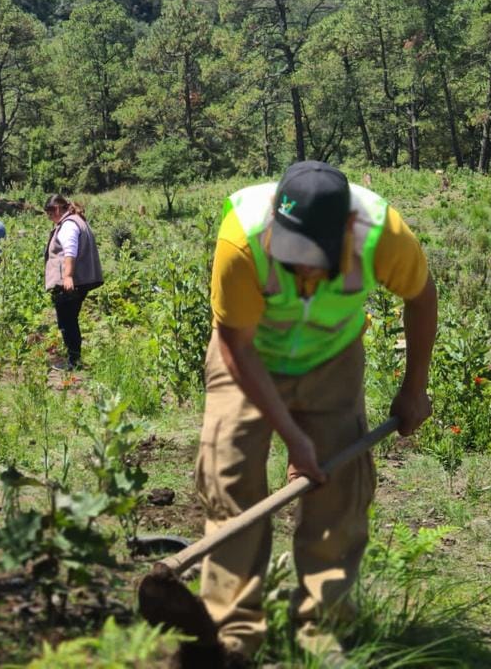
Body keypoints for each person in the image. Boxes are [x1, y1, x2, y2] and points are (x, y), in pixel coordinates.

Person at [195, 161, 437, 666]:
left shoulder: (382, 234)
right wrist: (292, 436)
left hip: (333, 357)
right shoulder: (242, 237)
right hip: (250, 355)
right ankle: (233, 631)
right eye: (290, 255)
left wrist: (414, 390)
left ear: (346, 231)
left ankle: (321, 626)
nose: (302, 270)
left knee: (340, 487)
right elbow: (236, 344)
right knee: (229, 474)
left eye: (313, 257)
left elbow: (421, 296)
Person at [44, 193, 103, 371]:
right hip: (81, 280)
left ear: (56, 208)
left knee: (67, 321)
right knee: (71, 320)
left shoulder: (68, 225)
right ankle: (74, 357)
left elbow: (70, 251)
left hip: (70, 282)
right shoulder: (77, 220)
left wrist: (68, 276)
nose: (49, 217)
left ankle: (73, 361)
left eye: (49, 212)